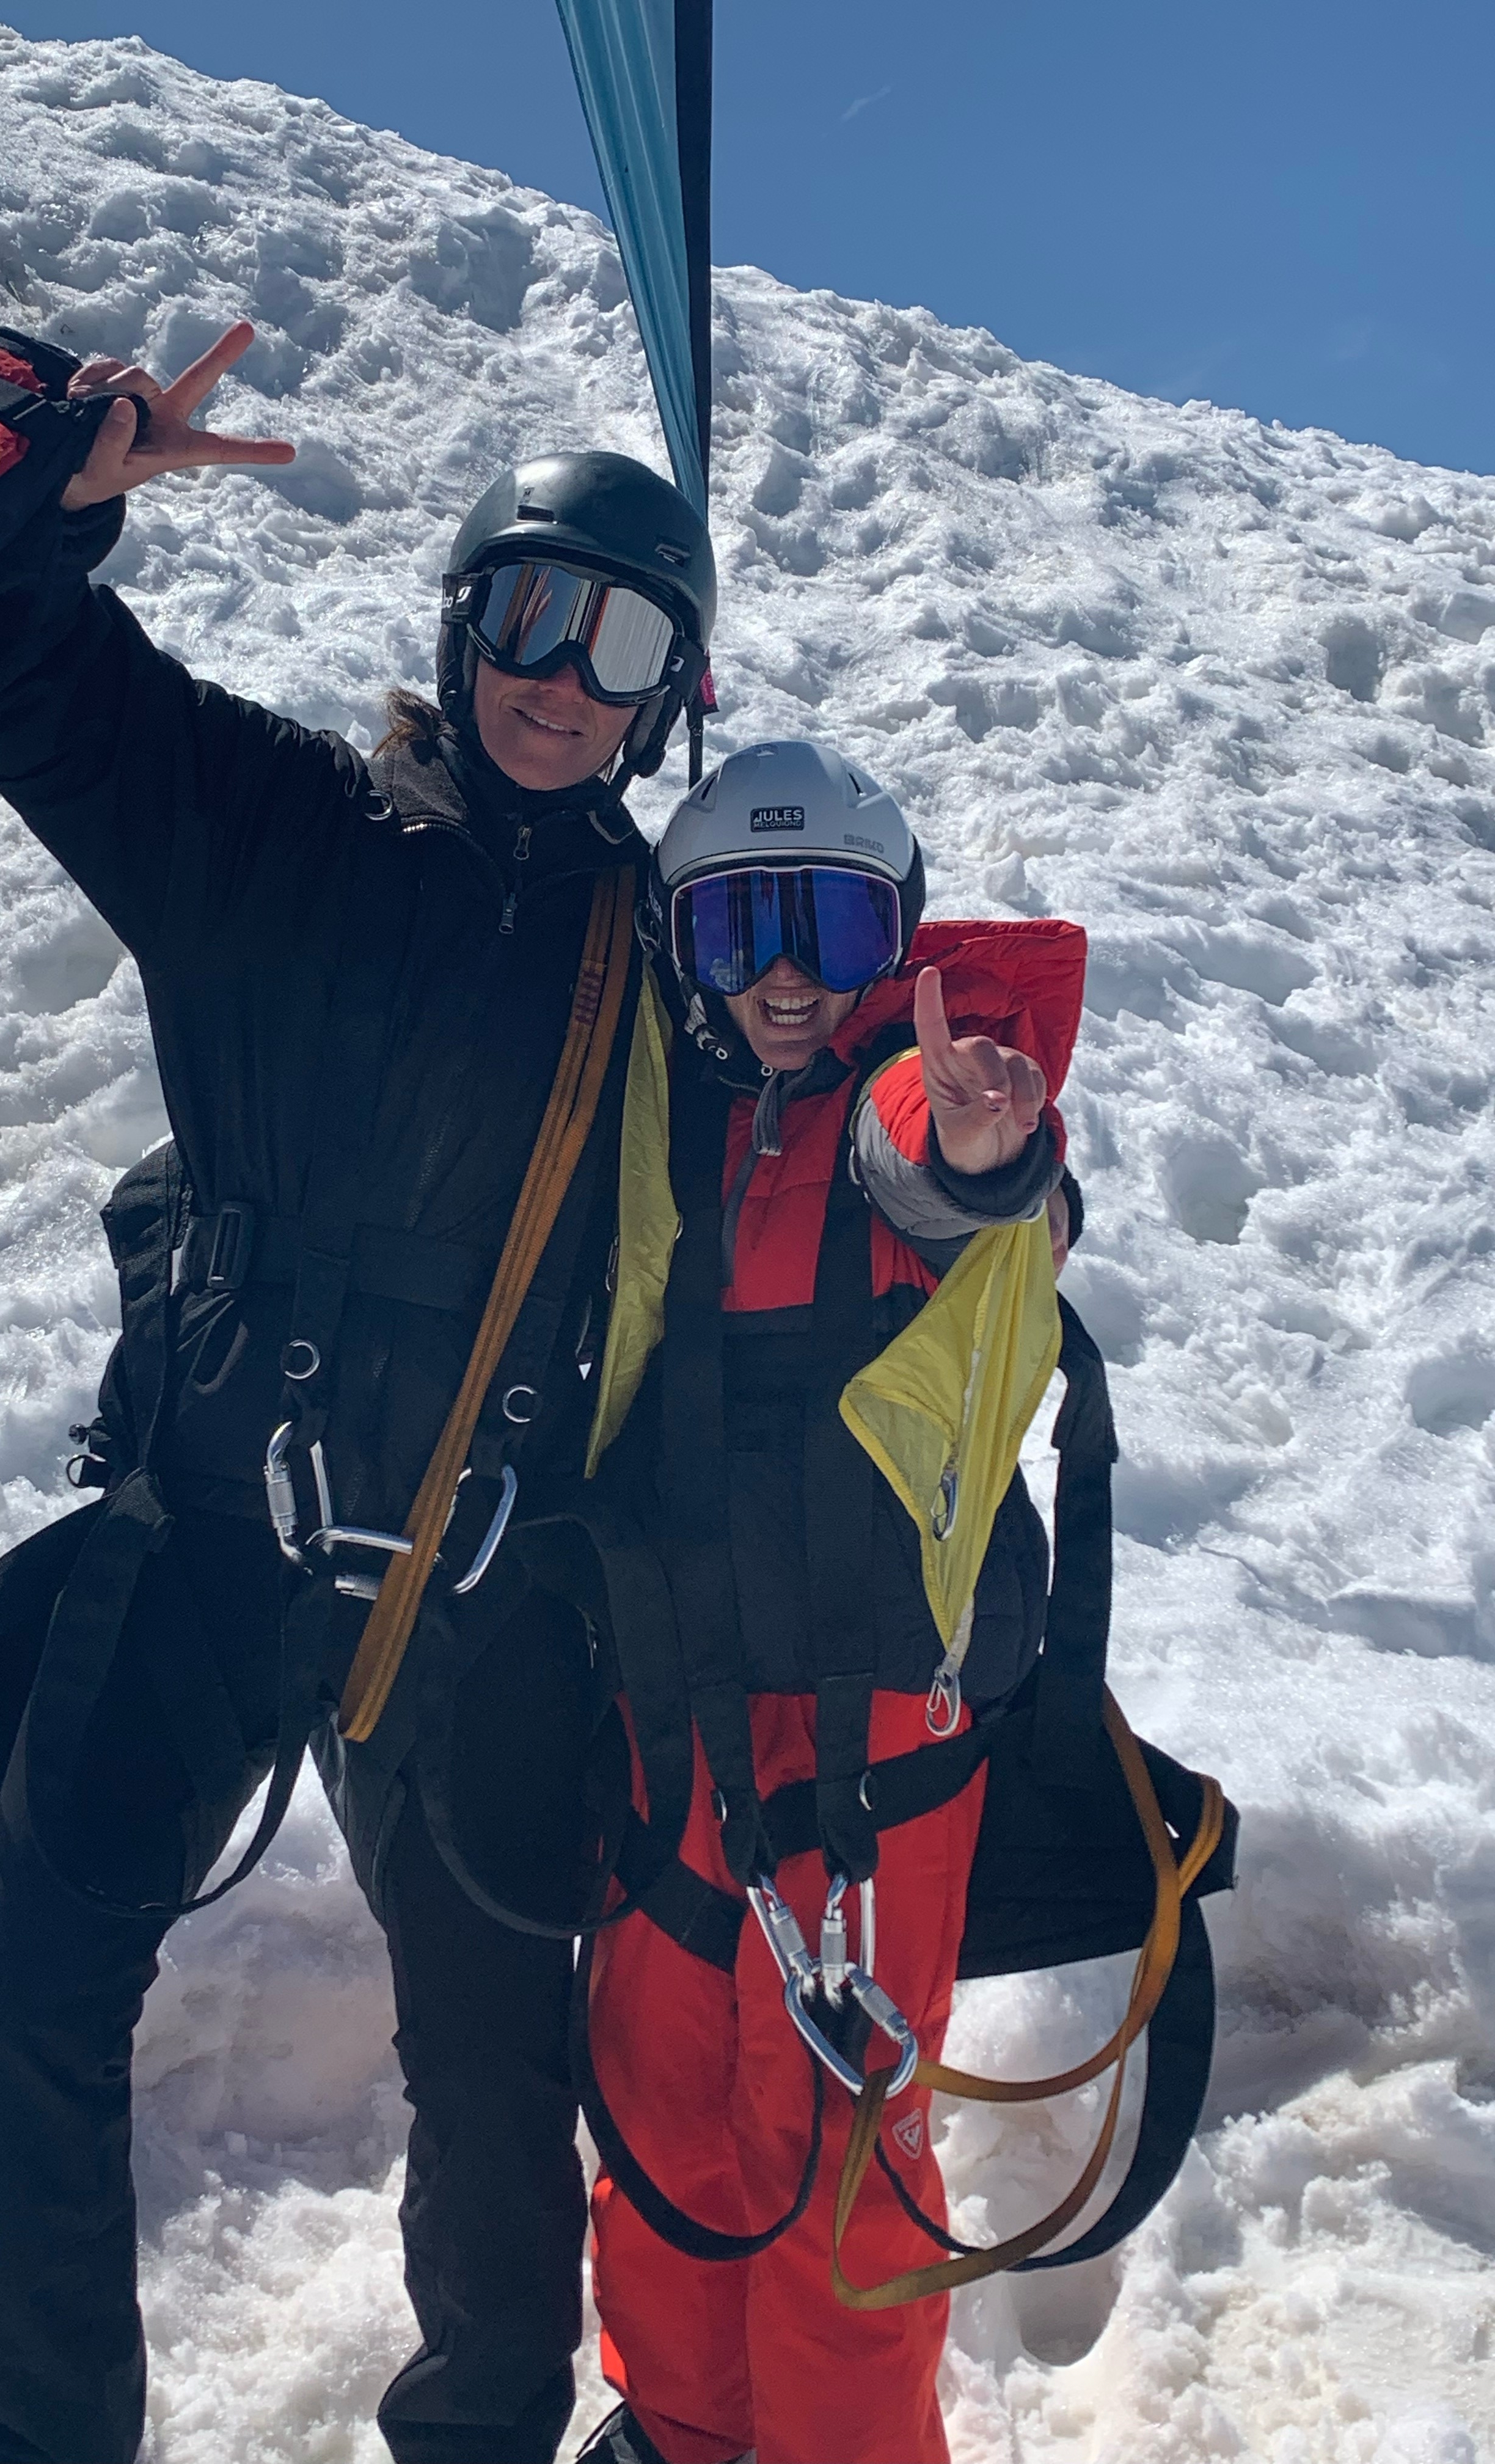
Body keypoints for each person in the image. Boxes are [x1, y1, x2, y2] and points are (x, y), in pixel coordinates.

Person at [0, 318, 715, 2464]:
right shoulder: (268, 827)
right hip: (212, 1521)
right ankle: (42, 2433)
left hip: (472, 1581)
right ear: (462, 624)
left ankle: (483, 2429)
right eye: (528, 612)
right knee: (34, 1992)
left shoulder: (655, 961)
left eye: (623, 635)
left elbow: (819, 1155)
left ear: (672, 695)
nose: (561, 671)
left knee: (500, 2045)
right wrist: (34, 460)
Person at [567, 739, 1087, 2464]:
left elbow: (950, 1163)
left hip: (874, 1744)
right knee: (659, 2109)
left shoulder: (914, 1101)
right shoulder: (654, 1114)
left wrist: (987, 1131)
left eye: (836, 928)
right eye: (739, 931)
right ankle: (684, 2430)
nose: (788, 974)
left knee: (840, 2152)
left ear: (903, 945)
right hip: (676, 1713)